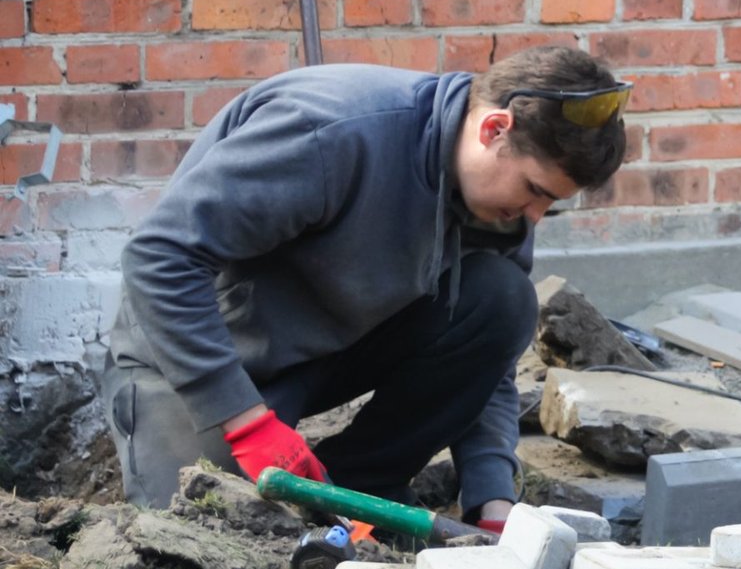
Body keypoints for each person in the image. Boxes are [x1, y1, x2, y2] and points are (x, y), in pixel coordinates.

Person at [101, 45, 629, 532]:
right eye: (534, 191)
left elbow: (490, 361)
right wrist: (246, 425)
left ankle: (362, 486)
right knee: (210, 523)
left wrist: (492, 501)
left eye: (549, 204)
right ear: (494, 129)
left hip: (327, 353)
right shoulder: (332, 132)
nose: (532, 217)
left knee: (504, 298)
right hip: (196, 357)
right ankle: (272, 465)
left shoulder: (496, 206)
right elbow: (159, 257)